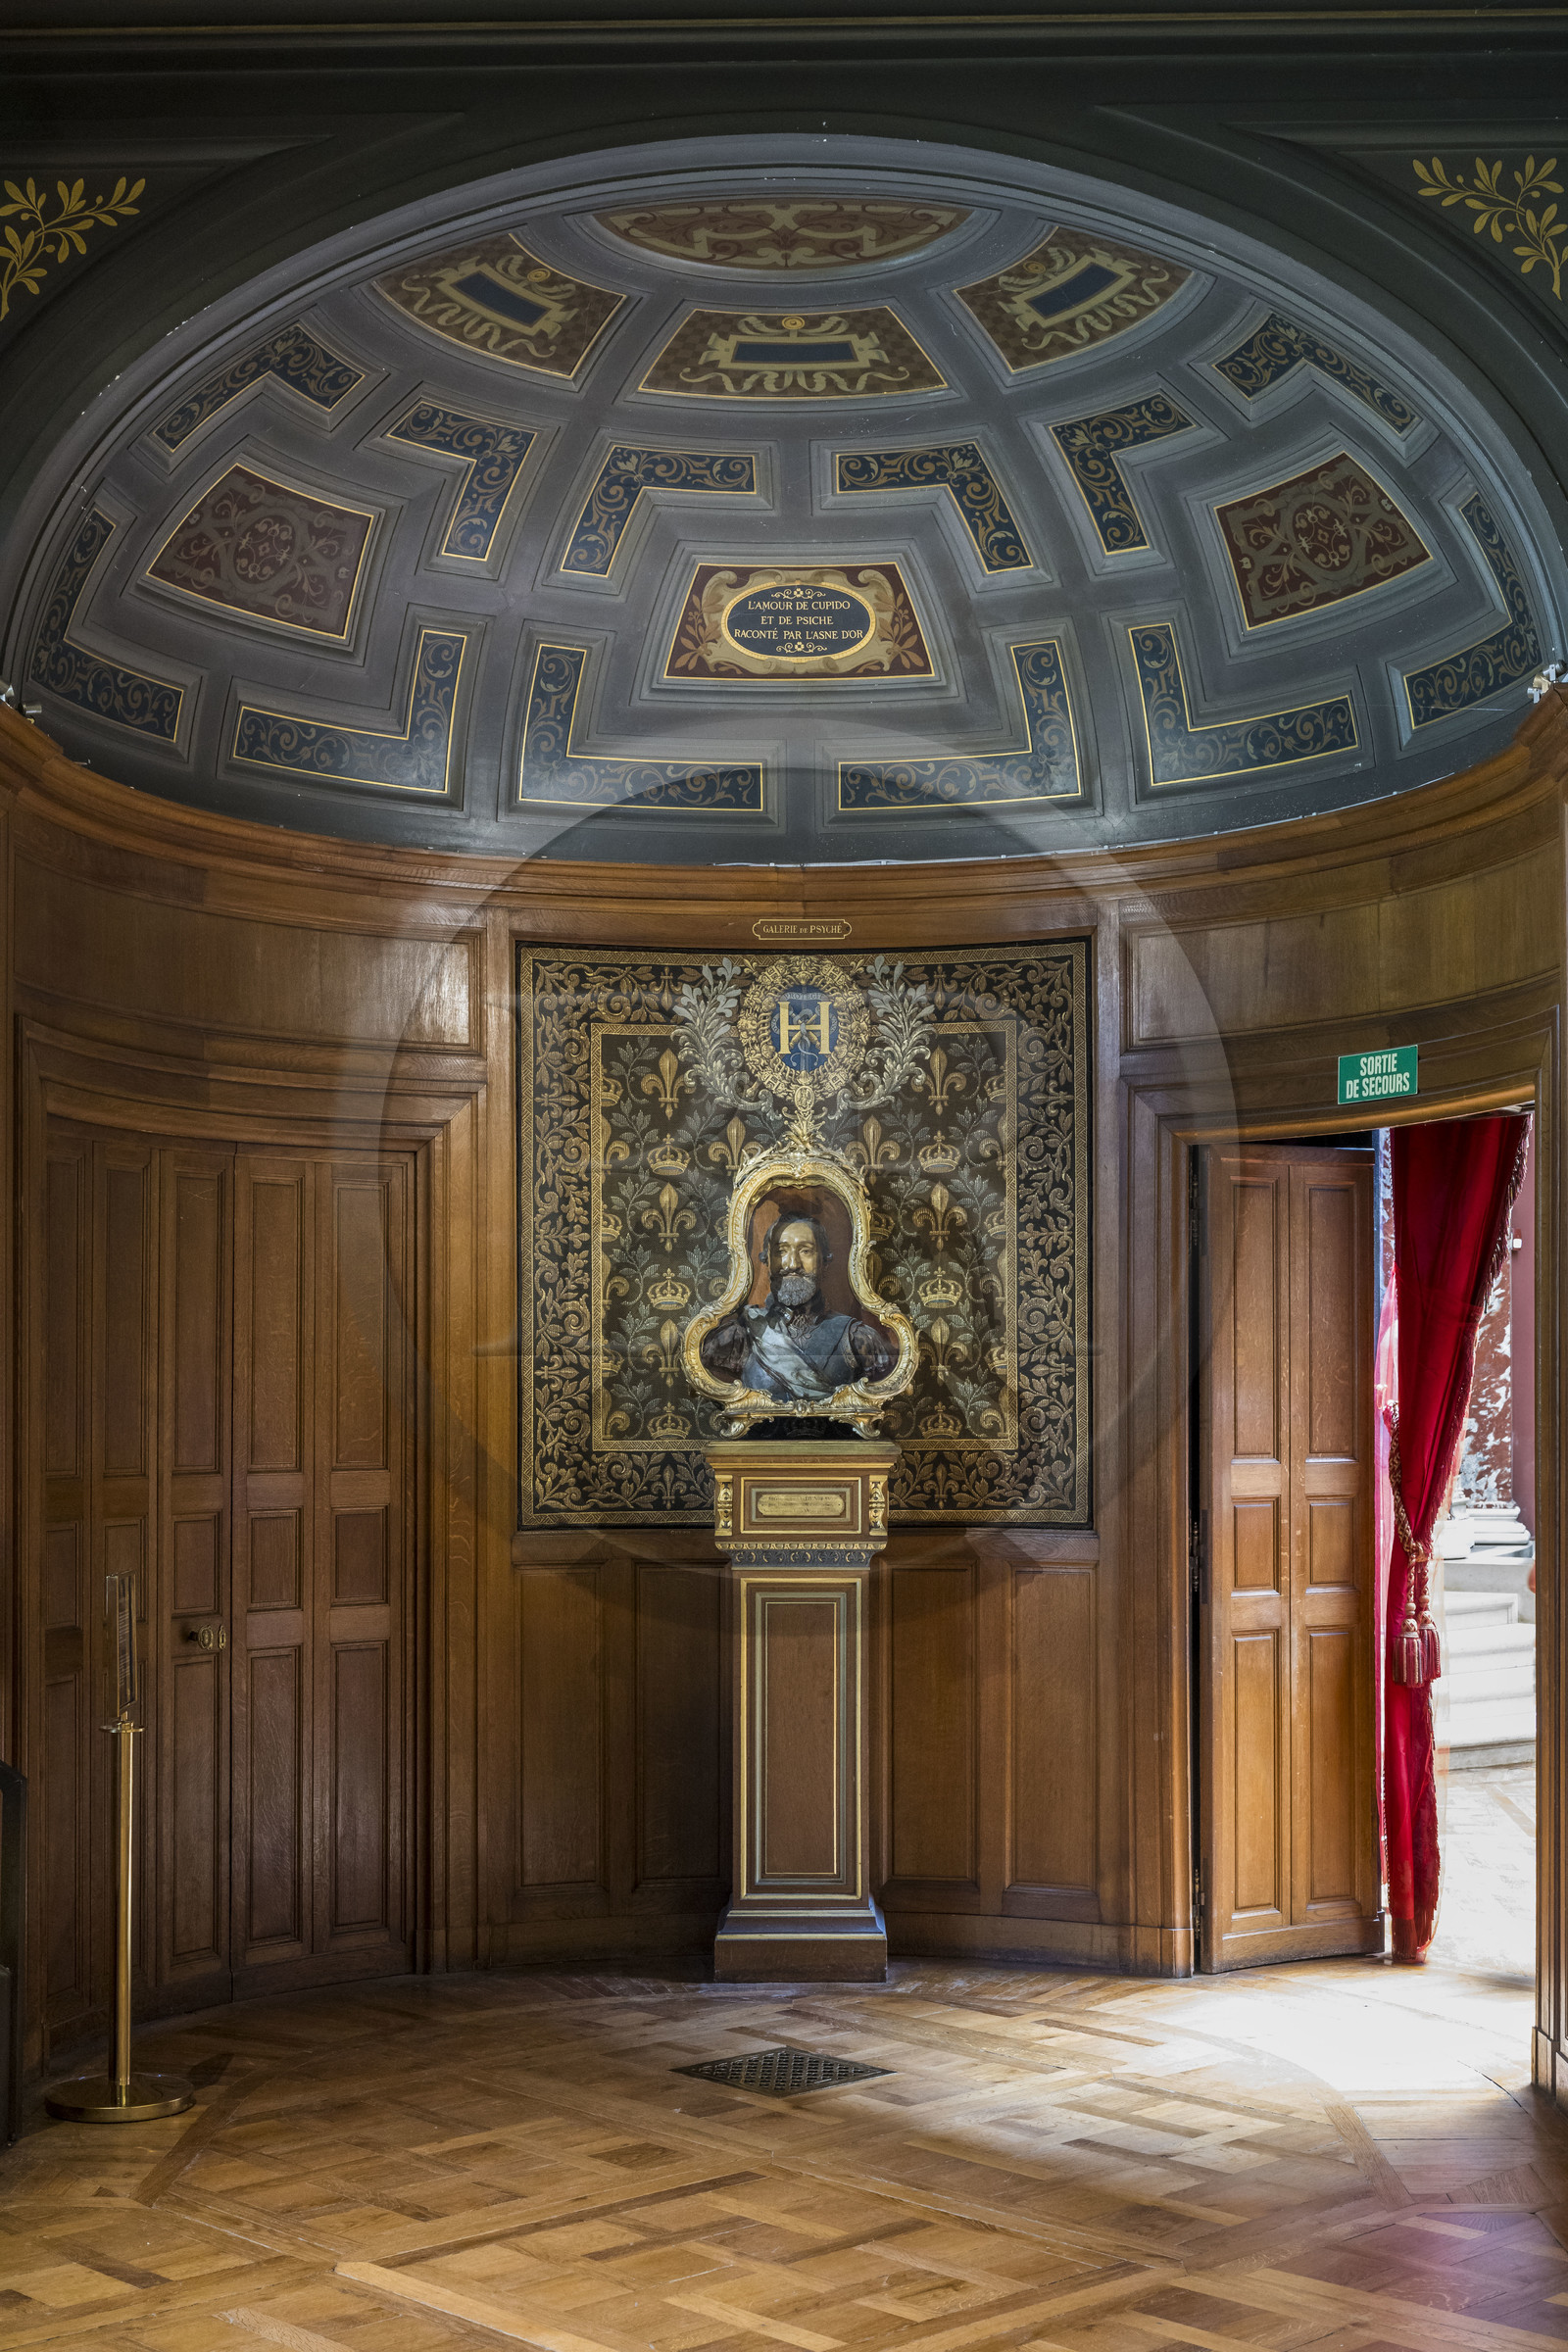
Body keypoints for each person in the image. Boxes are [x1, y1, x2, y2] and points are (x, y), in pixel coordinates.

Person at [698, 1214, 895, 1402]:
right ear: (767, 1260)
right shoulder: (741, 1335)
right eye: (781, 1251)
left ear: (825, 1262)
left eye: (805, 1250)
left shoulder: (858, 1339)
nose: (793, 1264)